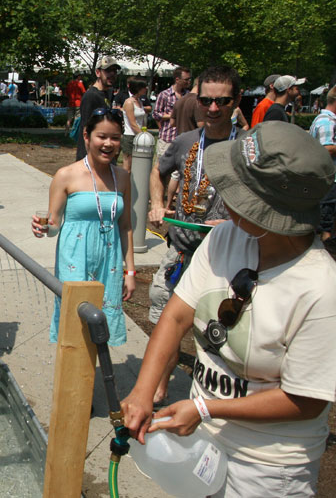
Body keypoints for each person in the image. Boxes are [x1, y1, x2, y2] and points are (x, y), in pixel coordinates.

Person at [122, 121, 336, 498]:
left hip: (268, 466)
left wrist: (206, 409)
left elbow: (305, 400)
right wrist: (143, 390)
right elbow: (175, 316)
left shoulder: (321, 289)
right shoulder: (226, 237)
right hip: (206, 436)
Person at [147, 66, 244, 405]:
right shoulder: (185, 142)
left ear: (237, 101)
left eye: (222, 101)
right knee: (165, 324)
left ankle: (217, 402)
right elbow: (158, 173)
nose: (213, 108)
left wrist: (238, 224)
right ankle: (159, 387)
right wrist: (158, 204)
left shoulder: (247, 147)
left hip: (228, 257)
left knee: (221, 332)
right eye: (206, 100)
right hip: (182, 252)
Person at [31, 108, 135, 345]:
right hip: (75, 259)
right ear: (87, 136)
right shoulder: (65, 175)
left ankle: (91, 378)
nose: (108, 144)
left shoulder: (123, 177)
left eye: (115, 138)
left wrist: (130, 271)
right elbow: (54, 223)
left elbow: (126, 226)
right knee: (74, 324)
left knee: (102, 325)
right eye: (102, 136)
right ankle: (69, 380)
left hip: (109, 260)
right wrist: (44, 228)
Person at [77, 56, 120, 161]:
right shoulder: (91, 95)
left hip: (104, 154)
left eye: (114, 71)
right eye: (108, 71)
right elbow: (86, 128)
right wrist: (87, 158)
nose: (112, 74)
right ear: (98, 73)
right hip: (91, 156)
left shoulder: (107, 93)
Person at [309, 86, 336, 239]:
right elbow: (327, 148)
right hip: (328, 182)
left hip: (327, 181)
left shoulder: (326, 120)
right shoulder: (327, 121)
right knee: (325, 226)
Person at [152, 66, 191, 158]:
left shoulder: (188, 95)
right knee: (163, 169)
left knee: (179, 171)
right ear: (177, 80)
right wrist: (173, 116)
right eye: (186, 79)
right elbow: (156, 114)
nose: (189, 82)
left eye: (190, 79)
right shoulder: (165, 95)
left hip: (183, 139)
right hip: (167, 138)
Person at [121, 77, 148, 172]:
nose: (146, 88)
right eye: (144, 87)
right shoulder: (129, 102)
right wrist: (144, 137)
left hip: (138, 136)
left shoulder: (139, 101)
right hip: (130, 136)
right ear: (138, 88)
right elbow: (133, 123)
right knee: (128, 166)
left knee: (136, 167)